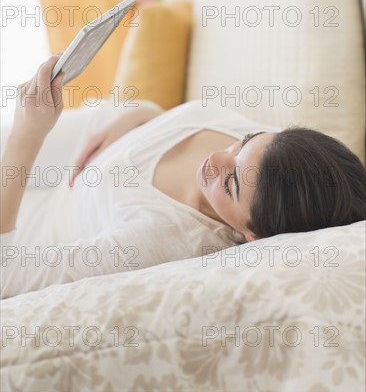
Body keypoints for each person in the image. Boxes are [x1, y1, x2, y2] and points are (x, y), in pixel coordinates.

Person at [1, 55, 365, 299]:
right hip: (95, 136)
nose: (218, 156)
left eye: (230, 184)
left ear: (253, 237)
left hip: (32, 216)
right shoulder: (278, 160)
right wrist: (144, 114)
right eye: (245, 142)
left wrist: (27, 135)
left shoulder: (164, 240)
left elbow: (7, 273)